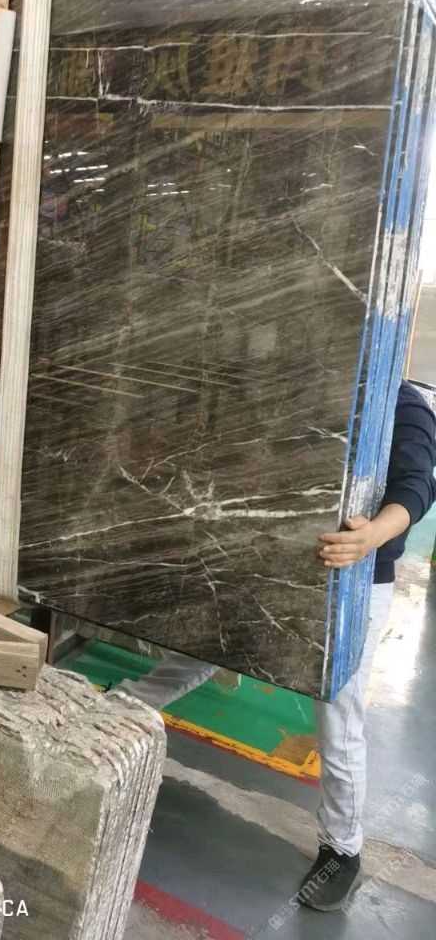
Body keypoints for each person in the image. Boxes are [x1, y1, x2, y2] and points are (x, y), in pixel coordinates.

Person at [118, 380, 436, 912]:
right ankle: (118, 710)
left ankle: (342, 849)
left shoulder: (399, 401)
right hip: (274, 561)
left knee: (339, 717)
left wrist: (372, 536)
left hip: (353, 578)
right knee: (201, 648)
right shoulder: (314, 381)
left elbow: (416, 486)